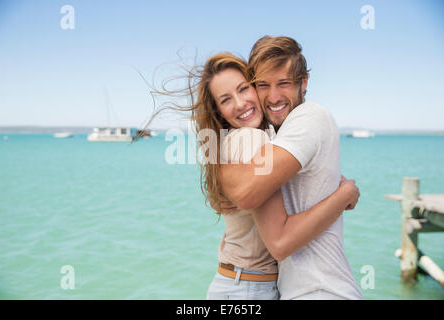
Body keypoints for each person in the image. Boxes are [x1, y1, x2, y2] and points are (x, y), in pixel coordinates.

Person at [145, 52, 360, 300]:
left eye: (244, 89)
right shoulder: (252, 138)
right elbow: (278, 240)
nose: (240, 103)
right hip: (249, 288)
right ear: (219, 112)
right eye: (226, 100)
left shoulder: (232, 143)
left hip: (234, 283)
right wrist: (344, 194)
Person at [218, 36, 364, 300]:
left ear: (303, 82)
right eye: (263, 85)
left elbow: (276, 237)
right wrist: (343, 195)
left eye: (283, 83)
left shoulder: (309, 117)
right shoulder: (274, 137)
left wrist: (346, 194)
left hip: (321, 291)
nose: (273, 97)